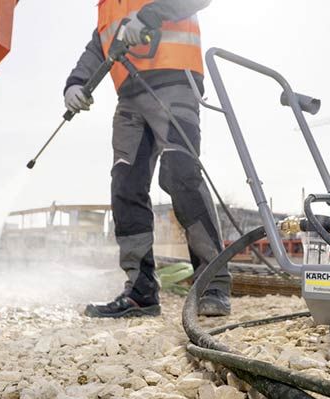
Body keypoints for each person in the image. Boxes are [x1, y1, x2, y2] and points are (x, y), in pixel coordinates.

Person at [64, 0, 231, 318]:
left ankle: (214, 285)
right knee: (125, 187)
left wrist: (148, 16)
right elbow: (98, 45)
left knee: (180, 177)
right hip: (129, 99)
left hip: (176, 84)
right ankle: (141, 292)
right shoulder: (105, 5)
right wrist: (75, 83)